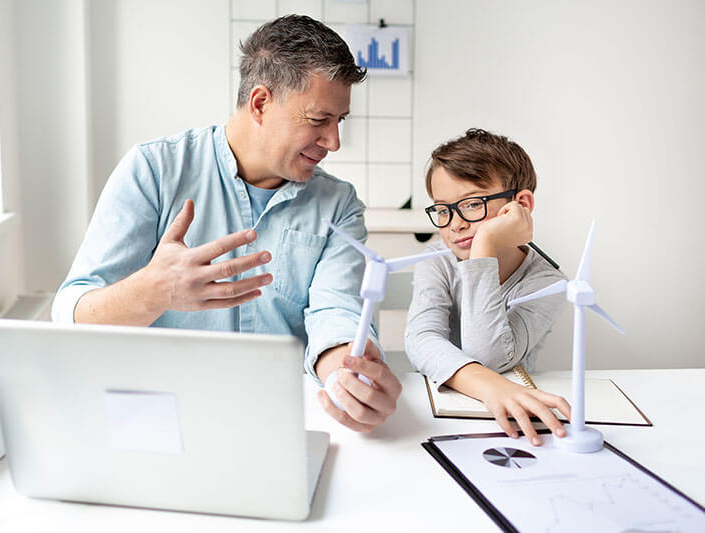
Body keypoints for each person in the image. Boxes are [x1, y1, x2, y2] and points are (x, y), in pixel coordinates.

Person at [51, 15, 401, 432]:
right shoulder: (155, 171)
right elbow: (71, 313)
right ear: (260, 103)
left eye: (339, 121)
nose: (334, 141)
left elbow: (334, 312)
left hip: (277, 420)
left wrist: (345, 375)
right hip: (161, 417)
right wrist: (155, 291)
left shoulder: (338, 204)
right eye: (318, 120)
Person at [405, 128, 570, 446]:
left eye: (471, 204)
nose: (455, 224)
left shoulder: (548, 283)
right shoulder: (437, 260)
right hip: (438, 416)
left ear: (520, 204)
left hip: (511, 422)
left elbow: (489, 357)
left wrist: (485, 246)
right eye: (442, 209)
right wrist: (488, 385)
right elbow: (421, 339)